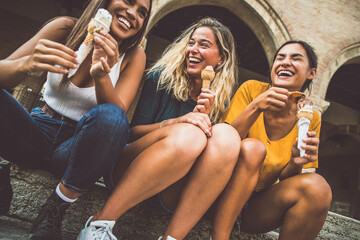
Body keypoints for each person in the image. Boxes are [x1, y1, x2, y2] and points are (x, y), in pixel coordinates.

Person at [77, 17, 240, 240]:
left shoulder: (220, 100)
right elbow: (132, 133)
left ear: (221, 59)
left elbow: (214, 159)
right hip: (130, 170)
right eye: (191, 42)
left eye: (203, 45)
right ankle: (99, 223)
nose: (193, 49)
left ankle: (171, 238)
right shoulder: (161, 77)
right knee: (191, 134)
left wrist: (205, 116)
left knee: (228, 136)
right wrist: (178, 122)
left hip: (172, 190)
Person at [0, 0, 152, 239]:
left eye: (142, 12)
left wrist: (102, 77)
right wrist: (25, 64)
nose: (132, 14)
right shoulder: (64, 29)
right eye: (128, 2)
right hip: (35, 129)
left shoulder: (134, 56)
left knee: (112, 117)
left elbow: (118, 119)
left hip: (76, 148)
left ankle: (52, 214)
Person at [211, 40, 332, 240]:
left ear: (311, 73)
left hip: (255, 210)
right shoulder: (251, 90)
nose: (285, 62)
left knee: (318, 188)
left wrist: (295, 162)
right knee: (252, 148)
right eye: (280, 57)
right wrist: (256, 107)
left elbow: (286, 181)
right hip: (215, 195)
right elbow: (223, 144)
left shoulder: (311, 118)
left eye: (295, 58)